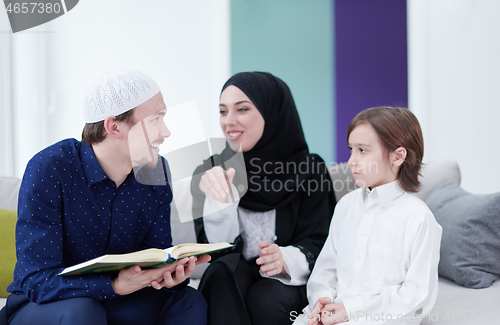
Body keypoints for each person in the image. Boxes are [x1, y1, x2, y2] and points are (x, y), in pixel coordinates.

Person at [2, 69, 210, 325]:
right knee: (84, 312)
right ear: (113, 126)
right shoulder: (50, 169)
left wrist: (169, 274)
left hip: (117, 302)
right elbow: (37, 281)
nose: (166, 131)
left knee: (187, 301)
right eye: (155, 120)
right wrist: (113, 285)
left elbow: (157, 253)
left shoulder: (156, 171)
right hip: (44, 305)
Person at [190, 71, 337, 325]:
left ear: (272, 113)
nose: (229, 121)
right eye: (223, 111)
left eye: (242, 109)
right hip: (234, 276)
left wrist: (285, 260)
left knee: (266, 298)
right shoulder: (210, 172)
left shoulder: (310, 170)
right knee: (222, 272)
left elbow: (322, 242)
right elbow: (212, 254)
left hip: (290, 281)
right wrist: (220, 200)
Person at [292, 107, 442, 325]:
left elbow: (417, 295)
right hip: (331, 315)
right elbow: (326, 268)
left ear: (398, 156)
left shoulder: (419, 218)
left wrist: (351, 309)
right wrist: (322, 299)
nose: (351, 160)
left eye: (362, 150)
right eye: (351, 149)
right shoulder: (346, 206)